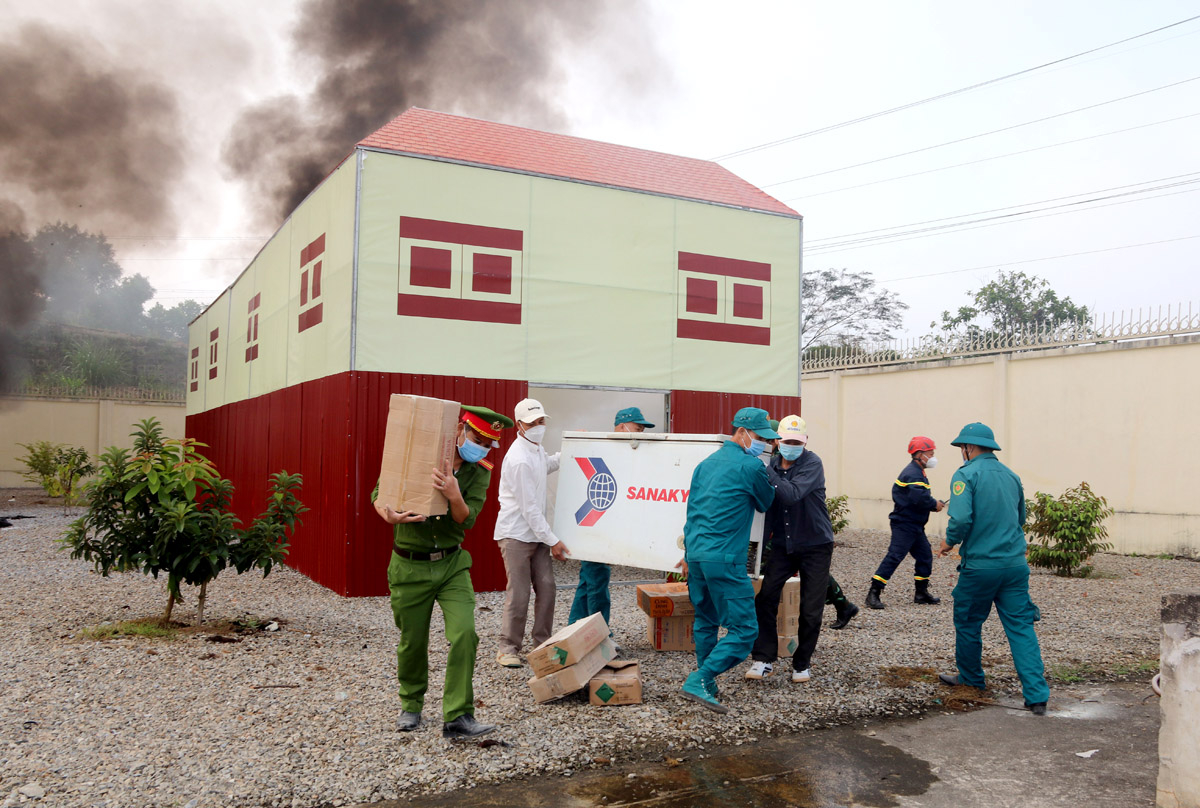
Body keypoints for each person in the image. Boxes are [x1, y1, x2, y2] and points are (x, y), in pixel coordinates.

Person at [372, 404, 513, 740]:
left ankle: (458, 716)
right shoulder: (419, 454)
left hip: (452, 565)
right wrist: (388, 516)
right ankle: (411, 704)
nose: (481, 445)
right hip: (409, 565)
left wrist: (454, 495)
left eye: (487, 442)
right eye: (477, 437)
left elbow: (468, 518)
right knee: (412, 641)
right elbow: (380, 495)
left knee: (465, 633)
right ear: (460, 430)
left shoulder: (481, 471)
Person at [936, 422, 1049, 716]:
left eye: (963, 448)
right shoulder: (1011, 476)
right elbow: (1020, 517)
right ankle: (1037, 696)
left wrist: (949, 542)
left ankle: (972, 679)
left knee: (969, 621)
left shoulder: (966, 475)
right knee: (1021, 626)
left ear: (968, 448)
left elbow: (960, 519)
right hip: (1014, 565)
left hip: (980, 566)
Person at [679, 407, 778, 713]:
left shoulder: (704, 465)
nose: (764, 445)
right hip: (725, 558)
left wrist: (686, 555)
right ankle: (701, 678)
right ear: (741, 433)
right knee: (746, 630)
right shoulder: (751, 467)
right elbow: (766, 502)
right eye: (761, 438)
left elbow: (691, 510)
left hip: (696, 555)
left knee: (706, 621)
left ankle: (707, 685)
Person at [745, 416, 837, 683]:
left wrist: (764, 469)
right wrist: (756, 549)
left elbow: (791, 494)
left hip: (816, 544)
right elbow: (766, 508)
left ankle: (801, 663)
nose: (792, 446)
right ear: (778, 441)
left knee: (810, 607)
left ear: (805, 442)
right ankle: (763, 658)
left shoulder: (812, 463)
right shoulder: (772, 464)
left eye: (797, 442)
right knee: (765, 598)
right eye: (787, 441)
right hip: (785, 544)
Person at [494, 398, 569, 668]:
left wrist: (570, 452)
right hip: (516, 535)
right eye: (533, 422)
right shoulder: (518, 459)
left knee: (547, 588)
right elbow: (529, 509)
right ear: (519, 425)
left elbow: (546, 465)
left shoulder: (535, 450)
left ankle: (542, 644)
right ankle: (508, 648)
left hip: (536, 535)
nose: (539, 426)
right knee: (520, 593)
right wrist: (554, 541)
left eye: (541, 421)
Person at [567, 406, 655, 634]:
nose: (640, 434)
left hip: (605, 526)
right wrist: (581, 440)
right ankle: (600, 633)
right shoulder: (603, 449)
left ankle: (575, 628)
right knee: (596, 581)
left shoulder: (628, 453)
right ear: (622, 426)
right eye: (637, 428)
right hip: (595, 526)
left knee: (589, 580)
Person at [865, 436, 946, 610]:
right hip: (905, 525)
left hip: (915, 525)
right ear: (919, 454)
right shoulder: (912, 473)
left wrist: (933, 503)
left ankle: (921, 593)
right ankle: (873, 593)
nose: (933, 456)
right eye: (930, 453)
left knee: (925, 557)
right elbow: (919, 498)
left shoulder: (918, 471)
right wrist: (935, 505)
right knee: (894, 556)